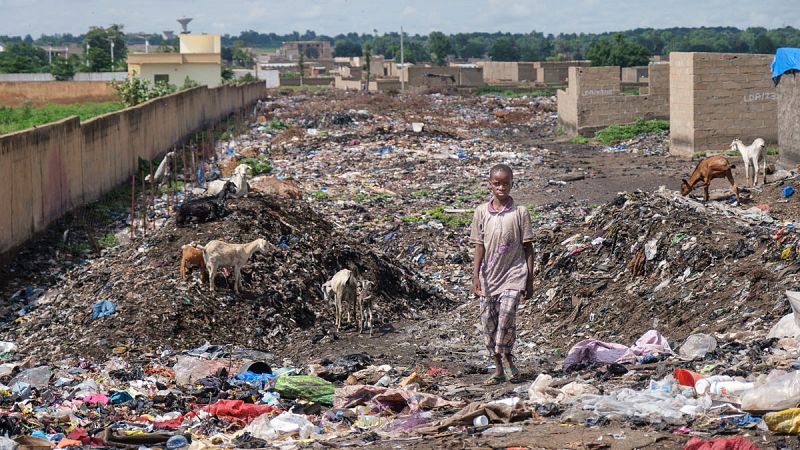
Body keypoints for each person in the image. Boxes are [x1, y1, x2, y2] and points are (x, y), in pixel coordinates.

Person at [469, 163, 534, 384]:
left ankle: (508, 359)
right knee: (489, 324)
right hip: (490, 276)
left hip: (514, 274)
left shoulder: (520, 212)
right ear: (490, 184)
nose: (501, 187)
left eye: (505, 183)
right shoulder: (481, 212)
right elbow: (479, 246)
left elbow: (528, 247)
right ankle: (498, 367)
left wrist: (530, 279)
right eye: (497, 183)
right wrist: (475, 276)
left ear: (512, 184)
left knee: (506, 318)